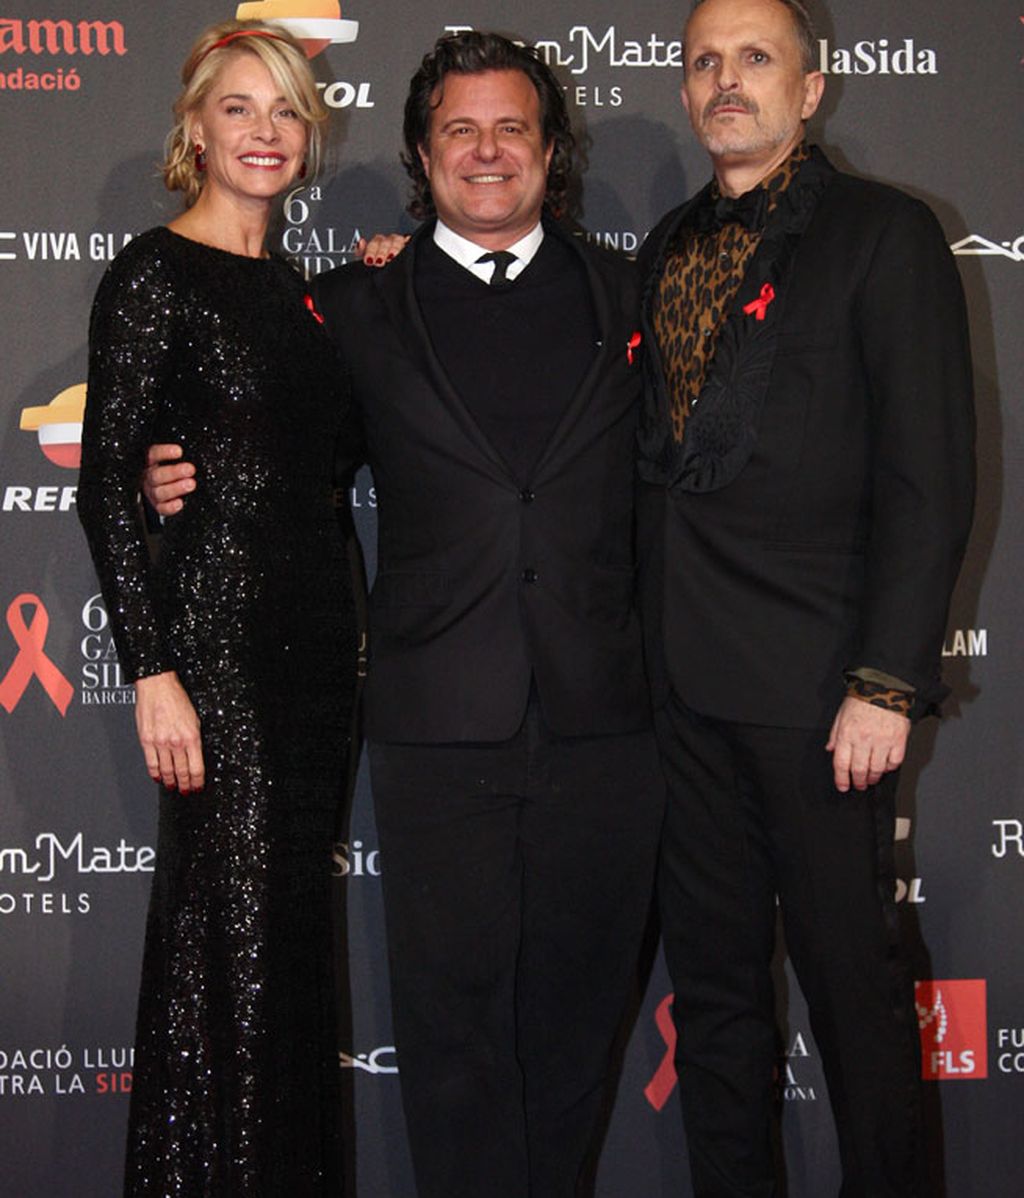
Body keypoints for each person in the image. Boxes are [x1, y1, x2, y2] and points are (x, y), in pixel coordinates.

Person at [143, 29, 664, 1198]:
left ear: (549, 151)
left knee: (579, 1033)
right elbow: (267, 454)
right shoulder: (353, 308)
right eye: (459, 131)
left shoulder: (631, 293)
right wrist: (161, 471)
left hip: (608, 730)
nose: (487, 152)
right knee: (452, 1040)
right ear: (423, 156)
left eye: (511, 128)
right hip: (439, 730)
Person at [636, 0, 975, 1194]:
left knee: (858, 1007)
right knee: (717, 1011)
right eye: (705, 63)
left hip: (823, 701)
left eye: (755, 59)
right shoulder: (665, 246)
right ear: (683, 90)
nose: (727, 81)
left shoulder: (885, 235)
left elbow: (929, 478)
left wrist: (885, 682)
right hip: (680, 702)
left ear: (812, 88)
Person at [77, 20, 359, 1194]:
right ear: (193, 128)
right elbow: (105, 482)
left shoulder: (299, 294)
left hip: (316, 669)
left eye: (285, 110)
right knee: (227, 960)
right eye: (238, 108)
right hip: (219, 663)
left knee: (281, 961)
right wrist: (154, 671)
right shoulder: (154, 274)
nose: (263, 131)